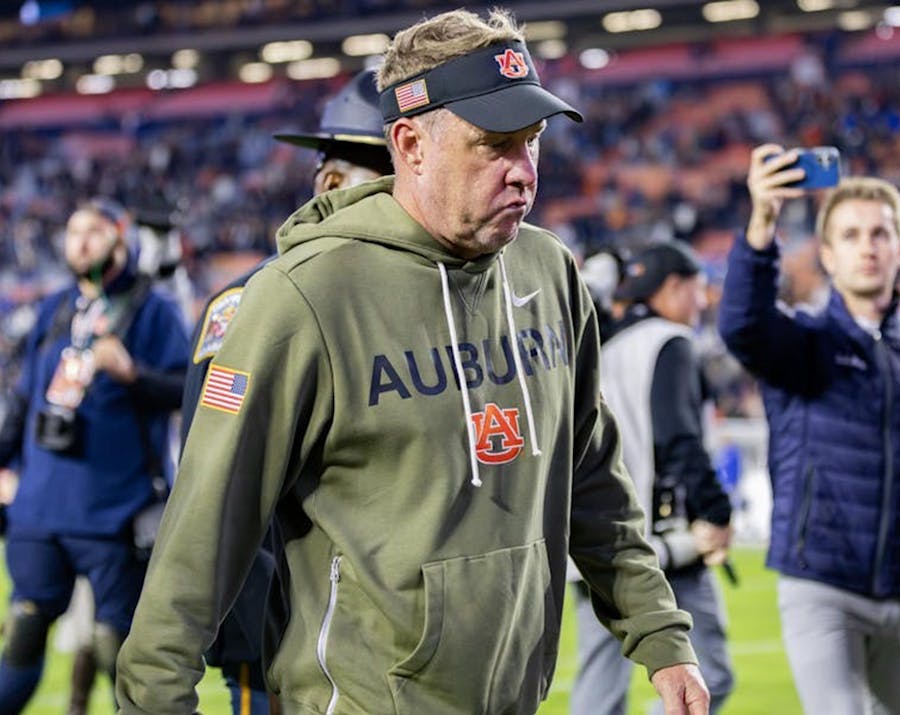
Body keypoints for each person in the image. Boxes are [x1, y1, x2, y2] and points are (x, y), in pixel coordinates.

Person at [116, 8, 709, 714]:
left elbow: (591, 477)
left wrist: (659, 634)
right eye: (493, 145)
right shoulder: (303, 298)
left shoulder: (550, 273)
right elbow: (200, 536)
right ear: (410, 143)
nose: (523, 173)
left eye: (533, 143)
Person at [717, 145, 900, 714]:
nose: (867, 246)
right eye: (850, 235)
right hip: (822, 583)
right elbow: (743, 326)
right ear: (826, 254)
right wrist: (763, 223)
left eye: (879, 233)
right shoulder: (800, 342)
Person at [180, 67, 392, 715]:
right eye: (397, 174)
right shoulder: (250, 304)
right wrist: (247, 627)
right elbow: (214, 477)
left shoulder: (416, 297)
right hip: (284, 621)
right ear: (331, 180)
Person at [0, 198, 189, 713]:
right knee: (22, 629)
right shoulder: (53, 307)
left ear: (121, 240)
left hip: (115, 510)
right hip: (40, 508)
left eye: (95, 231)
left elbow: (190, 389)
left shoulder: (154, 308)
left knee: (115, 646)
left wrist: (133, 374)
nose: (80, 241)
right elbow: (24, 396)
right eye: (73, 231)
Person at [571, 243, 735, 715]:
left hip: (598, 534)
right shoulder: (669, 341)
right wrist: (716, 512)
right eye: (698, 289)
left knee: (600, 685)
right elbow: (679, 438)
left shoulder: (608, 342)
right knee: (712, 674)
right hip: (661, 539)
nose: (703, 302)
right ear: (675, 287)